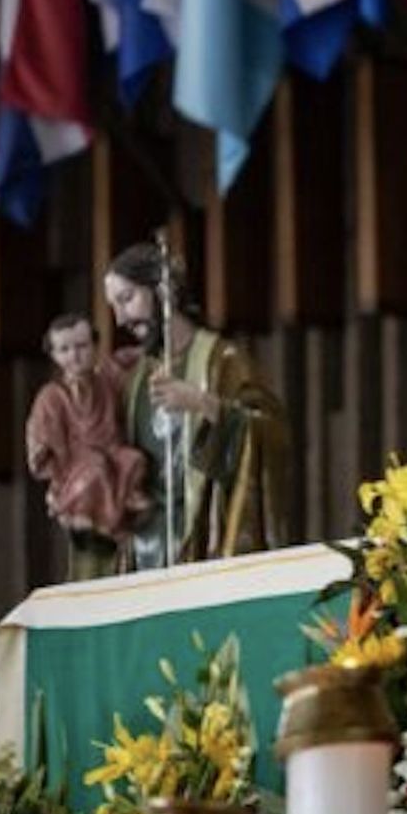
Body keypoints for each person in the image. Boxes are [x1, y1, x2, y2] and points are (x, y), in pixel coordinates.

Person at [103, 242, 291, 569]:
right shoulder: (136, 378)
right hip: (148, 548)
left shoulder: (223, 361)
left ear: (164, 291)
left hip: (206, 539)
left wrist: (203, 403)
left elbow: (272, 433)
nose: (120, 319)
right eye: (114, 306)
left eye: (126, 299)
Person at [26, 314, 150, 580]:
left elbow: (129, 361)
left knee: (134, 461)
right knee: (96, 469)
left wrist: (146, 350)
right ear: (54, 355)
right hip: (79, 469)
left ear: (95, 346)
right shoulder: (52, 395)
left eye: (82, 346)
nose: (75, 356)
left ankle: (122, 501)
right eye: (65, 349)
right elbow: (42, 432)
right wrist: (43, 450)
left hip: (113, 455)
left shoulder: (106, 378)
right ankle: (91, 516)